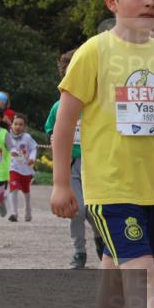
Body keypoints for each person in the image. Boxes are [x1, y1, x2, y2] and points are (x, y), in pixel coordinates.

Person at [50, 0, 154, 308]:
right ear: (113, 1)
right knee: (140, 270)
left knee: (118, 270)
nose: (149, 3)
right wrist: (62, 183)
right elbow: (65, 124)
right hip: (111, 189)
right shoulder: (95, 51)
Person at [45, 48, 104, 269]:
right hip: (72, 166)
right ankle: (79, 251)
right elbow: (51, 129)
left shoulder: (97, 104)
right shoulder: (60, 106)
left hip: (95, 164)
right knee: (77, 210)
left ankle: (100, 239)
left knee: (96, 211)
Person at [8, 112, 38, 222]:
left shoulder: (27, 137)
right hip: (14, 168)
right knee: (13, 189)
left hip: (26, 169)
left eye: (21, 124)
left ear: (24, 126)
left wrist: (32, 158)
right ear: (11, 125)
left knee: (26, 192)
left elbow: (34, 148)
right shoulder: (8, 136)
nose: (18, 126)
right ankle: (14, 213)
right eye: (15, 124)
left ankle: (28, 211)